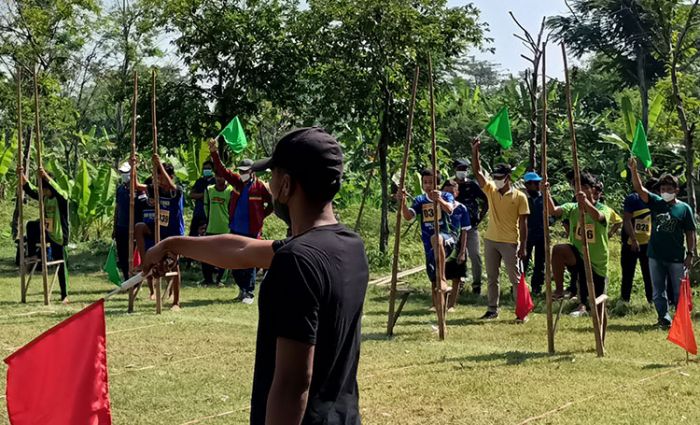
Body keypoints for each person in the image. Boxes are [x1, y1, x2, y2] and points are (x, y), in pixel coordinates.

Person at [144, 127, 368, 424]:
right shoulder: (349, 246)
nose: (269, 185)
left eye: (273, 176)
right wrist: (172, 244)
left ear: (286, 185)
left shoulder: (296, 262)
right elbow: (241, 250)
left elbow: (293, 384)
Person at [629, 158, 697, 329]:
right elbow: (639, 189)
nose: (665, 192)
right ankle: (663, 318)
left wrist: (690, 254)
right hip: (655, 255)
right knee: (658, 290)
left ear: (676, 190)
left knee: (678, 291)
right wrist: (633, 170)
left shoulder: (684, 209)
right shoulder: (656, 203)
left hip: (676, 257)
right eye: (662, 189)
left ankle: (681, 320)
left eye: (669, 189)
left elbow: (690, 232)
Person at [471, 139, 530, 321]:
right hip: (491, 240)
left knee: (515, 279)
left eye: (500, 178)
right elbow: (477, 172)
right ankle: (492, 309)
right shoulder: (490, 190)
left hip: (511, 242)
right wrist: (475, 152)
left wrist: (523, 246)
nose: (496, 181)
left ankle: (522, 312)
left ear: (508, 178)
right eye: (495, 177)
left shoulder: (520, 197)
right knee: (492, 277)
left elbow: (523, 223)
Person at [210, 141, 274, 304]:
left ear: (252, 172)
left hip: (252, 231)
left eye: (245, 171)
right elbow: (223, 171)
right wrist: (214, 152)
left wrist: (261, 216)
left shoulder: (260, 188)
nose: (242, 173)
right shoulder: (237, 182)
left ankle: (249, 293)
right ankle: (242, 289)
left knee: (250, 262)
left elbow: (272, 204)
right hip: (236, 229)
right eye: (240, 171)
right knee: (234, 260)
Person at [548, 173, 613, 317]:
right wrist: (546, 192)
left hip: (597, 260)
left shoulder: (604, 209)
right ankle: (560, 291)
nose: (579, 190)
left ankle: (593, 310)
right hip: (578, 254)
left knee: (597, 298)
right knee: (559, 249)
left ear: (592, 189)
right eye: (576, 187)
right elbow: (553, 211)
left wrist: (586, 203)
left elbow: (598, 217)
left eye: (583, 187)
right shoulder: (572, 207)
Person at [134, 157, 185, 309]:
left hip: (173, 233)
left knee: (174, 266)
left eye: (162, 177)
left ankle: (176, 302)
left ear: (170, 176)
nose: (160, 180)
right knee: (139, 227)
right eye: (158, 177)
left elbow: (170, 185)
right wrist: (134, 166)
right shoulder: (153, 189)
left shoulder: (175, 191)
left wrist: (159, 166)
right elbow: (136, 186)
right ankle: (145, 263)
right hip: (158, 230)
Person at [397, 169, 455, 299]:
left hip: (446, 237)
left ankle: (443, 279)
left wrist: (439, 200)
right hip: (428, 241)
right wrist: (403, 203)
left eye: (431, 182)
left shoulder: (446, 196)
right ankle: (436, 303)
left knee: (437, 238)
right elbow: (408, 216)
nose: (428, 185)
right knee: (431, 271)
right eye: (425, 182)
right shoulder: (420, 200)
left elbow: (449, 209)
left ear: (438, 184)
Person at [21, 169, 70, 304]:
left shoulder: (61, 198)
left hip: (58, 236)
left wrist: (46, 177)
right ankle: (32, 254)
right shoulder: (44, 197)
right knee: (31, 225)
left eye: (44, 189)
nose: (42, 192)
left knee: (61, 265)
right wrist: (23, 178)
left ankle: (64, 295)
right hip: (47, 232)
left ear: (49, 188)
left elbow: (57, 189)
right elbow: (32, 191)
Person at [618, 179, 658, 306]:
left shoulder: (657, 202)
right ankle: (625, 301)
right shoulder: (633, 199)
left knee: (649, 273)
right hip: (631, 242)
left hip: (648, 244)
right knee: (628, 272)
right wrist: (634, 239)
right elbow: (627, 220)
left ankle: (651, 301)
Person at [453, 159, 488, 294]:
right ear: (455, 169)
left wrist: (480, 216)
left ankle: (477, 286)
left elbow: (486, 200)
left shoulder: (472, 185)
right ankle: (458, 284)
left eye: (465, 168)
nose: (462, 171)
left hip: (471, 227)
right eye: (460, 168)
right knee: (457, 256)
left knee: (475, 256)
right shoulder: (450, 185)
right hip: (455, 228)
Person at [441, 179, 471, 311]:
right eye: (445, 192)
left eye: (451, 193)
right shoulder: (438, 207)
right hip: (442, 245)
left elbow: (465, 231)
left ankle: (451, 304)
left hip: (457, 246)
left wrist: (462, 251)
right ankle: (439, 303)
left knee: (456, 277)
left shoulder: (461, 209)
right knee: (440, 276)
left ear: (456, 193)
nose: (448, 195)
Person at [201, 168, 233, 286]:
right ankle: (208, 279)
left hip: (225, 228)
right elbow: (206, 208)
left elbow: (232, 209)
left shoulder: (230, 191)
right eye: (218, 176)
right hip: (211, 227)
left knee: (225, 255)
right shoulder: (209, 190)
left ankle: (221, 280)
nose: (220, 179)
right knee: (206, 255)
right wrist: (206, 222)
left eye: (222, 176)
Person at [523, 172, 545, 296]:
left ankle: (537, 288)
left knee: (540, 262)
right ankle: (518, 286)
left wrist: (549, 222)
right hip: (527, 234)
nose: (538, 185)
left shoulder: (544, 197)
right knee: (523, 261)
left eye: (538, 183)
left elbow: (555, 211)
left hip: (542, 234)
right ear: (527, 185)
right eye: (535, 183)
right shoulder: (523, 197)